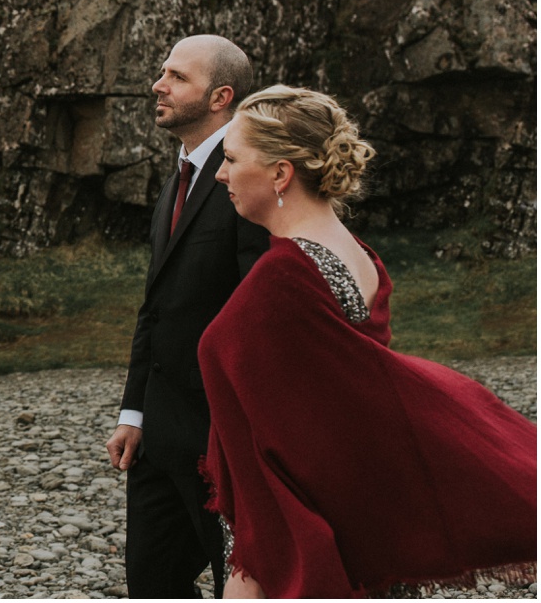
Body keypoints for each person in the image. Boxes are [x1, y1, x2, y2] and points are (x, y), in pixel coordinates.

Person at [200, 85, 537, 598]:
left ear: (280, 173)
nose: (221, 173)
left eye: (230, 158)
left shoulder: (286, 276)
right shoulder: (357, 252)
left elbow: (297, 432)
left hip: (315, 530)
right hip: (367, 513)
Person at [105, 34, 270, 598]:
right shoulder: (178, 175)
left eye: (176, 76)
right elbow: (157, 305)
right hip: (158, 431)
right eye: (162, 72)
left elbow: (260, 307)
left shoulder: (250, 175)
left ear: (221, 95)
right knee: (152, 586)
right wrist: (134, 410)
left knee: (241, 583)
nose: (158, 84)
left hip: (222, 436)